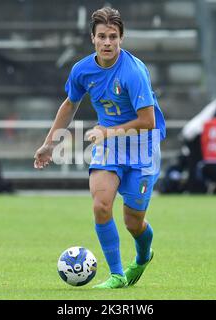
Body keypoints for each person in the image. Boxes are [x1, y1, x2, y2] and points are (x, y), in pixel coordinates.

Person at [34, 7, 166, 289]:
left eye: (114, 37)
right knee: (101, 205)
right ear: (92, 38)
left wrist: (107, 130)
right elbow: (70, 103)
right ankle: (117, 274)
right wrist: (49, 143)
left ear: (121, 39)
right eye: (102, 36)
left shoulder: (133, 72)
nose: (108, 42)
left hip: (143, 147)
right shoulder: (82, 70)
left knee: (133, 223)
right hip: (110, 148)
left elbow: (147, 120)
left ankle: (143, 256)